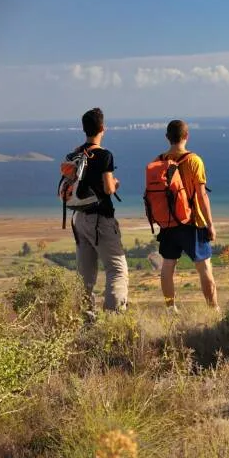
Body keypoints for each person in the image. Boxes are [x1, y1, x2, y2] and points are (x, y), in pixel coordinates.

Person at [156, 120, 219, 312]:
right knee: (204, 267)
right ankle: (213, 310)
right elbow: (201, 195)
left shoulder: (159, 161)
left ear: (167, 137)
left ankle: (170, 309)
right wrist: (210, 224)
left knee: (167, 266)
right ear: (187, 136)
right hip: (193, 222)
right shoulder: (194, 161)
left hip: (168, 223)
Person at [71, 108, 129, 313]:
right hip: (100, 220)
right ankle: (113, 321)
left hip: (79, 218)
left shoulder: (76, 153)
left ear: (84, 129)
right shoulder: (104, 155)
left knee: (85, 275)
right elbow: (108, 188)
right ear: (102, 128)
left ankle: (85, 319)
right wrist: (115, 183)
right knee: (117, 270)